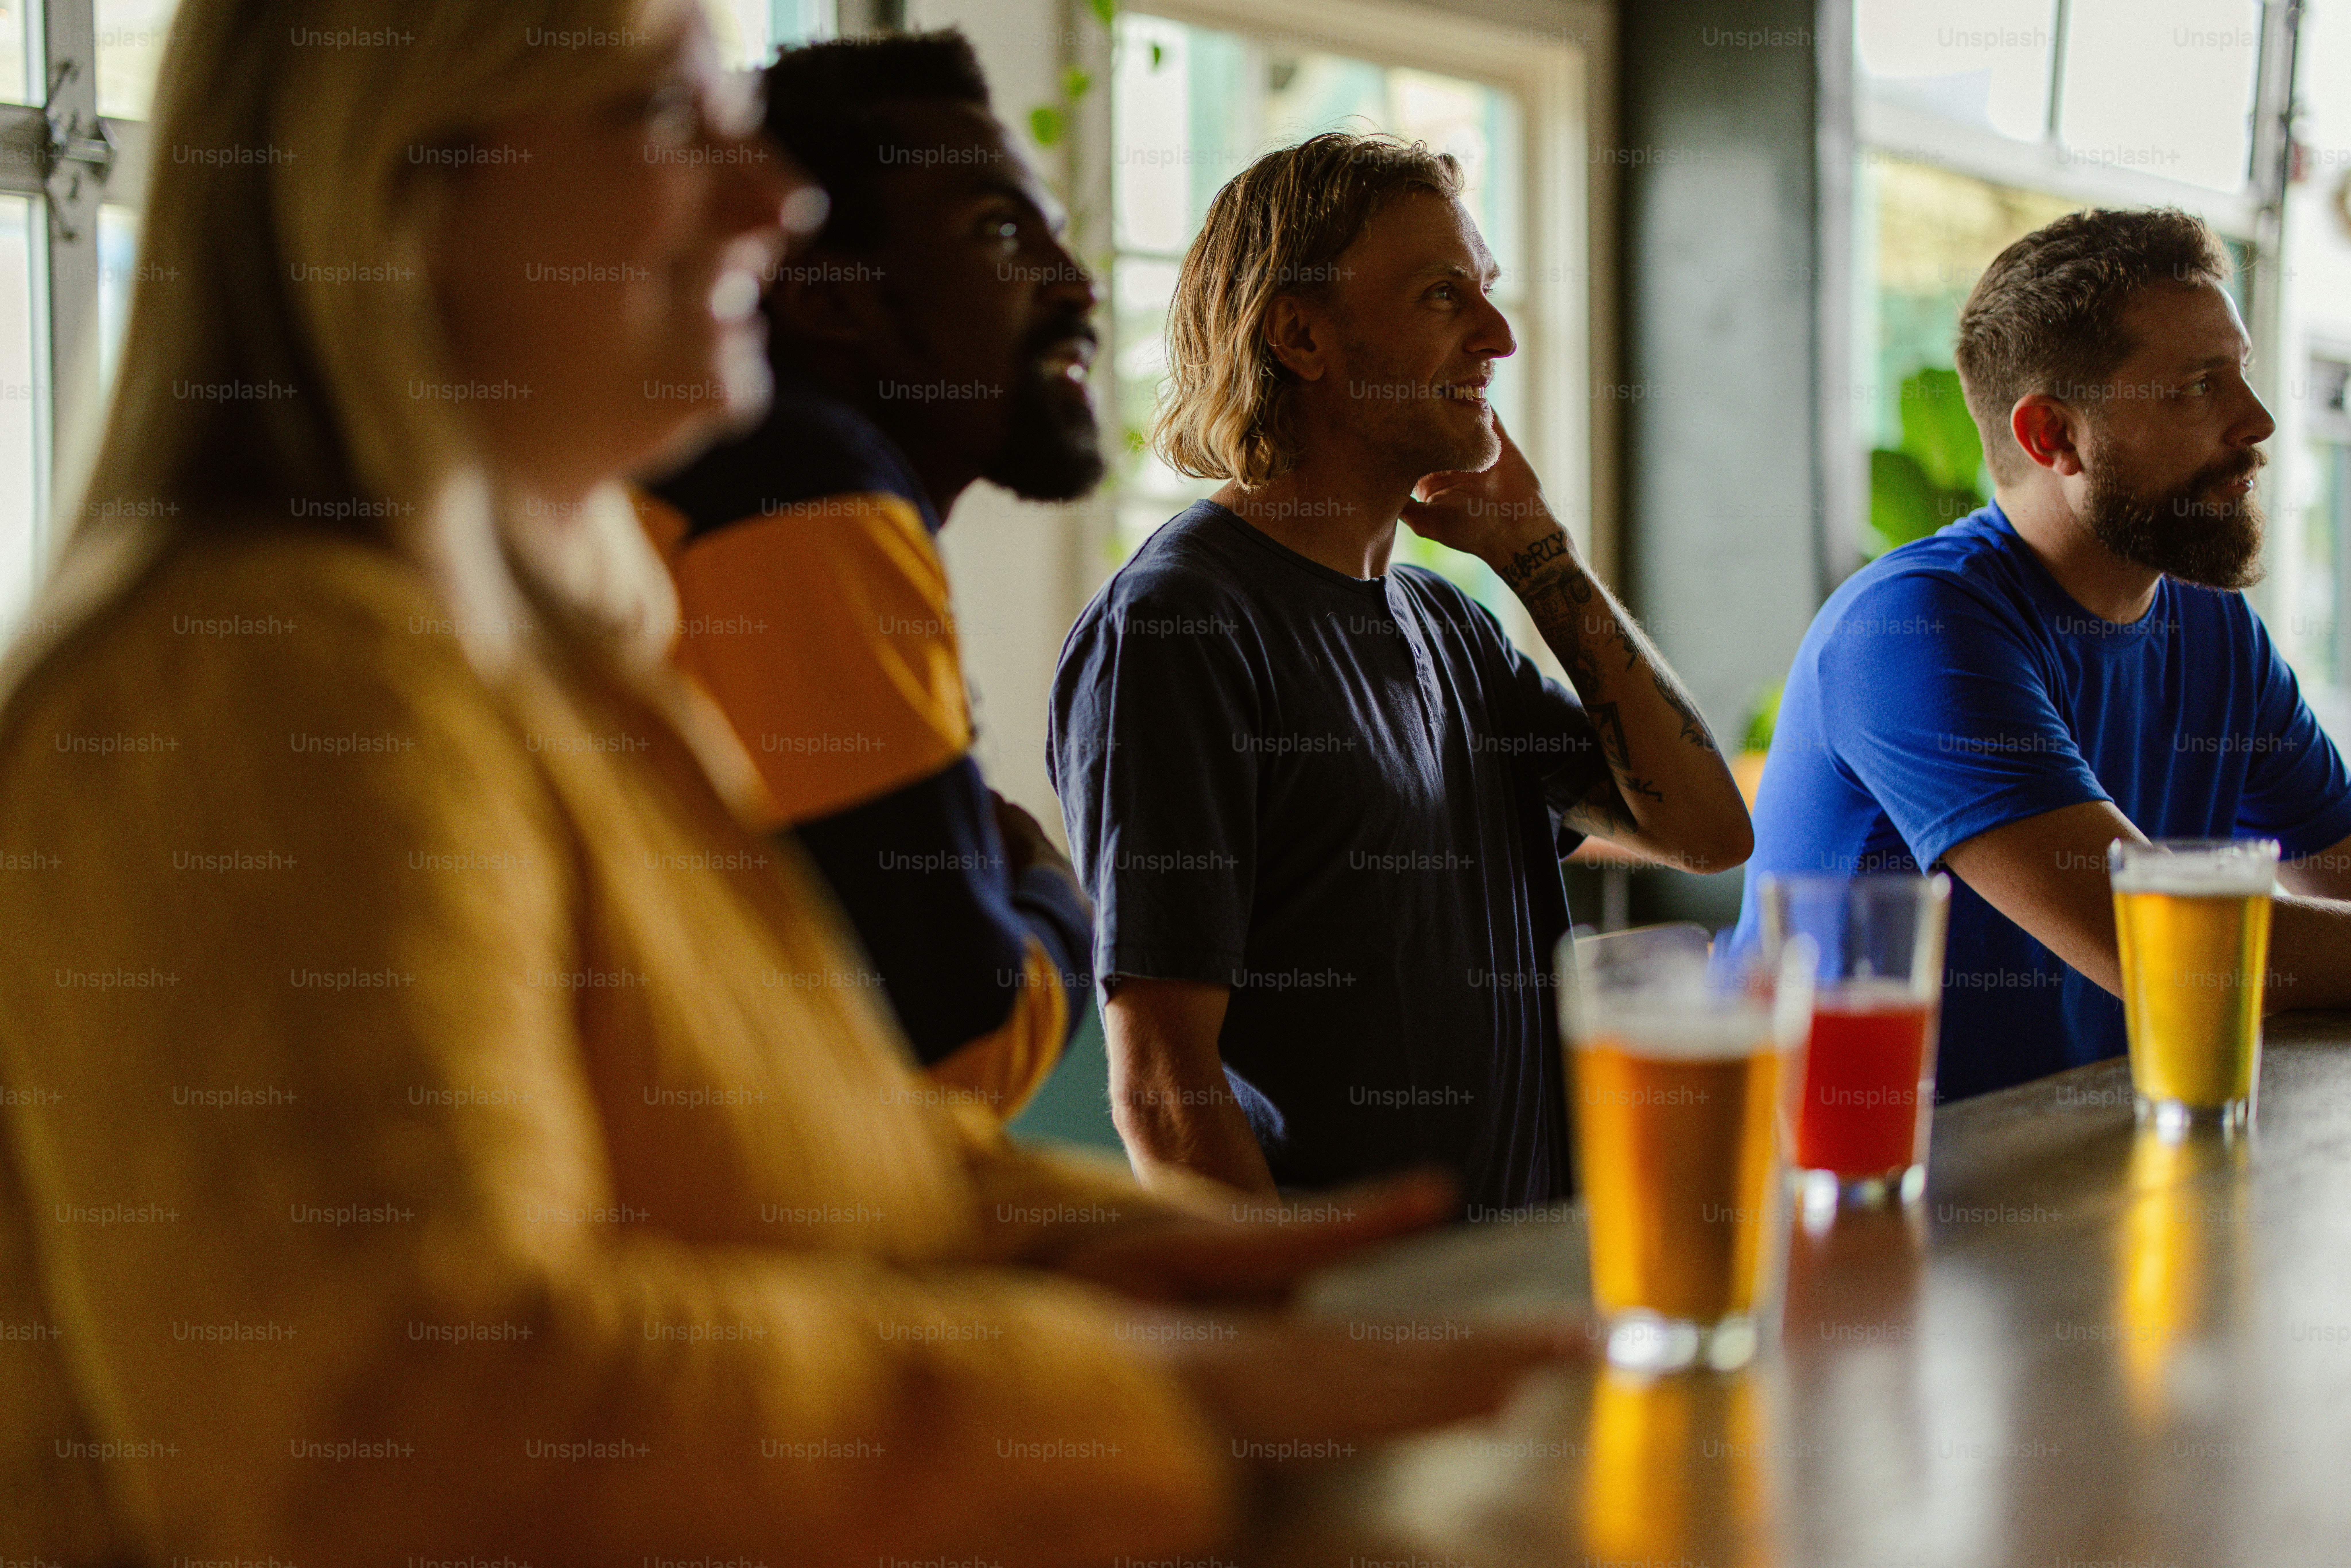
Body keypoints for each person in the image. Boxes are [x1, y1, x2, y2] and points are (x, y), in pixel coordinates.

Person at [0, 7, 1579, 1563]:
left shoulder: (548, 663)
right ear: (399, 179)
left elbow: (786, 1132)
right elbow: (415, 1423)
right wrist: (1161, 1388)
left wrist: (1162, 1252)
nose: (775, 201)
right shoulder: (269, 677)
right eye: (668, 122)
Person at [1050, 133, 1753, 1209]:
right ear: (1302, 336)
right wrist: (1319, 1333)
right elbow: (1164, 1090)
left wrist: (1539, 554)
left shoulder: (1452, 626)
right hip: (1366, 1330)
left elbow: (1707, 831)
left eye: (1490, 294)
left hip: (1531, 1293)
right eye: (1442, 298)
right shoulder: (1179, 625)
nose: (1499, 337)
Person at [1733, 206, 2351, 1101]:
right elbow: (2167, 950)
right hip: (1847, 1202)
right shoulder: (1914, 629)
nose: (2256, 423)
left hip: (2080, 1176)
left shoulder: (2213, 626)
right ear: (2052, 436)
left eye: (2243, 375)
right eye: (2196, 388)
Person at [637, 30, 1096, 1119]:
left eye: (1057, 237)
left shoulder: (723, 481)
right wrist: (1054, 897)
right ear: (828, 297)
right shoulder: (803, 481)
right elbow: (959, 1055)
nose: (1073, 284)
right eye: (998, 231)